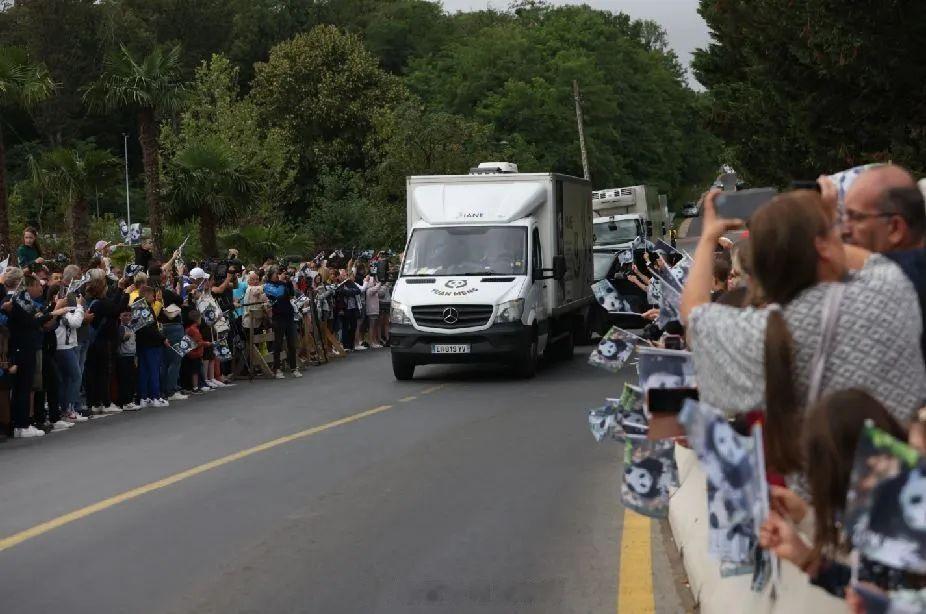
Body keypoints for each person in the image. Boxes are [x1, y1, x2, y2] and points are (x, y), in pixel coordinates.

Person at [681, 189, 926, 476]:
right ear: (822, 247)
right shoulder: (889, 287)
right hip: (897, 484)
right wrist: (814, 222)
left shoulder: (763, 331)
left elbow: (692, 311)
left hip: (818, 497)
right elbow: (868, 260)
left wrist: (709, 235)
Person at [264, 266, 300, 378]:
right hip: (278, 316)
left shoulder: (282, 283)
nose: (278, 275)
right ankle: (277, 368)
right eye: (276, 273)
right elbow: (278, 294)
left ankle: (294, 367)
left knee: (291, 343)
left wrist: (288, 282)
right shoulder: (267, 285)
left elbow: (291, 294)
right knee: (278, 343)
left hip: (288, 314)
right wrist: (283, 282)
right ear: (271, 275)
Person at [116, 311, 139, 410]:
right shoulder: (121, 328)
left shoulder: (131, 328)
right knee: (125, 379)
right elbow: (120, 339)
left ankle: (129, 400)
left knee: (131, 379)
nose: (127, 317)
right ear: (120, 317)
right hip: (123, 356)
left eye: (129, 315)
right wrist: (125, 337)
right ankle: (125, 402)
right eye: (125, 315)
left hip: (131, 355)